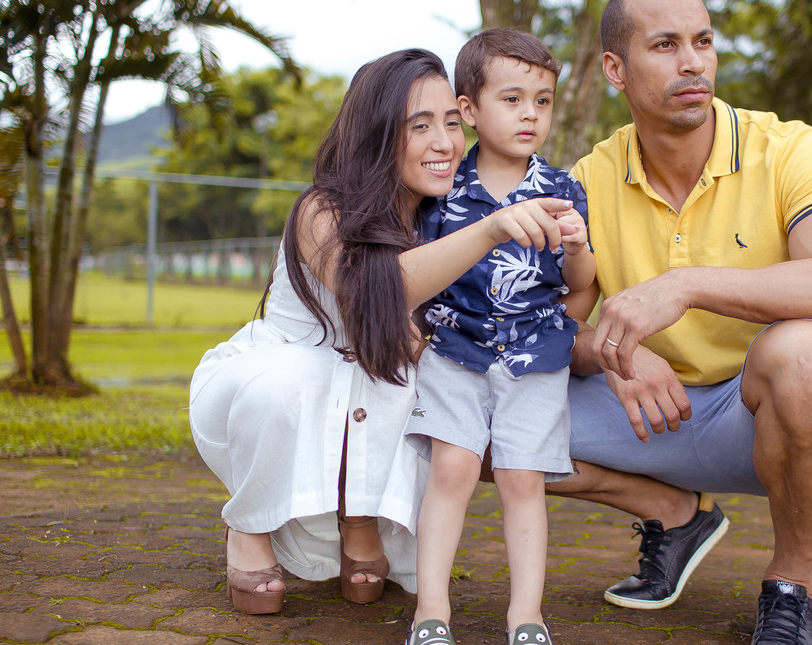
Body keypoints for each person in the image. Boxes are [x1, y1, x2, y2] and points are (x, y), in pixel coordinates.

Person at [547, 0, 812, 645]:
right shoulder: (588, 177)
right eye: (666, 44)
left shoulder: (787, 149)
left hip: (757, 416)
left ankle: (790, 589)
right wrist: (612, 352)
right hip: (647, 411)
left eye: (703, 41)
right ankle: (672, 515)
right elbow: (548, 322)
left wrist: (689, 283)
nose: (692, 62)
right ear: (615, 68)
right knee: (469, 412)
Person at [188, 48, 579, 616]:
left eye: (451, 121)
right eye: (420, 125)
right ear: (377, 134)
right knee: (325, 371)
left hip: (375, 389)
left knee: (423, 381)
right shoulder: (323, 210)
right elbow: (376, 292)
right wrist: (491, 230)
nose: (445, 142)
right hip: (276, 380)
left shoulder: (439, 216)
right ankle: (248, 524)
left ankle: (361, 518)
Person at [402, 29, 595, 645]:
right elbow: (416, 273)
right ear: (469, 110)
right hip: (454, 351)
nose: (530, 115)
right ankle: (431, 612)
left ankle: (527, 619)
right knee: (453, 470)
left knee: (522, 480)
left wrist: (576, 245)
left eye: (542, 101)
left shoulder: (564, 187)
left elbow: (582, 283)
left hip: (534, 359)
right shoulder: (441, 189)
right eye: (512, 99)